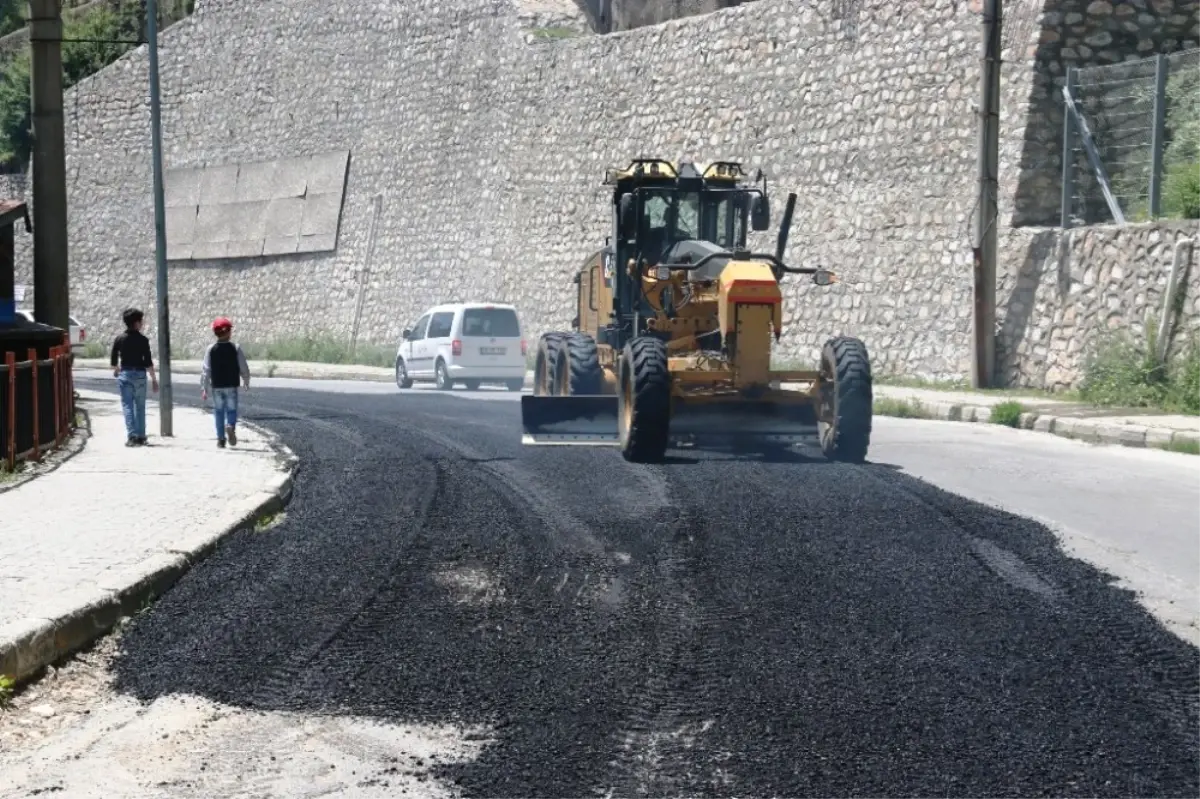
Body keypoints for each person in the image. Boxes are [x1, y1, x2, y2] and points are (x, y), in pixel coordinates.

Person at [110, 307, 158, 446]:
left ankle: (132, 436)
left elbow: (114, 357)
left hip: (125, 374)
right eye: (140, 321)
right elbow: (148, 361)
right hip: (140, 375)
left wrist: (116, 368)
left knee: (128, 406)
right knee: (141, 406)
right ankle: (142, 436)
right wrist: (154, 379)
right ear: (136, 322)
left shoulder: (119, 339)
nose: (142, 323)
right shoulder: (143, 340)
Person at [199, 316, 251, 448]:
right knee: (232, 410)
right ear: (228, 332)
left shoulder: (211, 349)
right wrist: (246, 380)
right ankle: (231, 426)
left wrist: (204, 387)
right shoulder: (235, 348)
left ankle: (221, 439)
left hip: (217, 387)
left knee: (219, 412)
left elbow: (206, 370)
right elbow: (243, 366)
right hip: (232, 386)